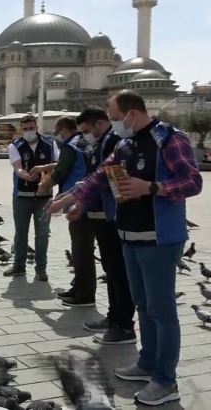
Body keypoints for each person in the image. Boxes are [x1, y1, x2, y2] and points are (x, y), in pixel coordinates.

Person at [48, 90, 202, 406]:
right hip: (129, 235)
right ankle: (147, 363)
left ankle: (165, 380)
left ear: (132, 114)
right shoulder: (124, 144)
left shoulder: (168, 139)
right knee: (143, 305)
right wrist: (69, 197)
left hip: (160, 237)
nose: (114, 125)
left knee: (162, 310)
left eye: (116, 119)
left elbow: (193, 181)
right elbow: (100, 176)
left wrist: (153, 187)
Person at [76, 107, 136, 344]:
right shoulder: (103, 142)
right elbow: (97, 177)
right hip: (103, 213)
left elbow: (111, 179)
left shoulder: (114, 141)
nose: (85, 136)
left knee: (119, 272)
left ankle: (124, 325)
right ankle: (114, 317)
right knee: (112, 270)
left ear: (101, 123)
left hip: (113, 215)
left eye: (87, 130)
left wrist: (78, 201)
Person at [32, 116, 93, 305]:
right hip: (86, 199)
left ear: (65, 129)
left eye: (59, 132)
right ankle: (79, 288)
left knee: (81, 250)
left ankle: (83, 294)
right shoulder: (84, 143)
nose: (58, 136)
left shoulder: (70, 145)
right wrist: (46, 166)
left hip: (77, 202)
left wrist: (44, 186)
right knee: (83, 249)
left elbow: (61, 171)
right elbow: (65, 165)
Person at [4, 114, 56, 281]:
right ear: (21, 129)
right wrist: (26, 176)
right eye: (25, 129)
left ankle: (41, 269)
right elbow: (17, 168)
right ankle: (19, 267)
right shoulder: (15, 145)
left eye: (31, 128)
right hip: (22, 196)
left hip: (44, 196)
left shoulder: (50, 143)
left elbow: (58, 165)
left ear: (37, 127)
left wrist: (44, 173)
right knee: (21, 233)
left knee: (42, 234)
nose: (28, 132)